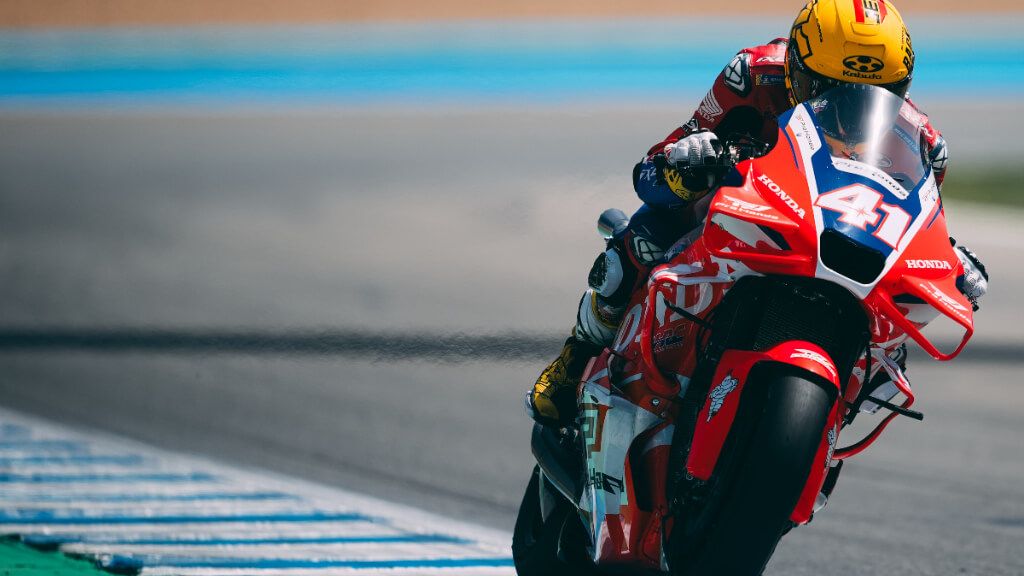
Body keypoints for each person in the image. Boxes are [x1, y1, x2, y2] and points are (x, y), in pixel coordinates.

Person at [527, 0, 989, 427]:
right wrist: (686, 160)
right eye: (829, 91)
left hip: (836, 242)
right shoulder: (750, 76)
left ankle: (821, 439)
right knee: (642, 241)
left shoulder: (924, 142)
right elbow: (653, 168)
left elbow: (918, 222)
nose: (851, 114)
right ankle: (577, 356)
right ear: (795, 67)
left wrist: (952, 263)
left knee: (884, 360)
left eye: (877, 94)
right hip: (752, 214)